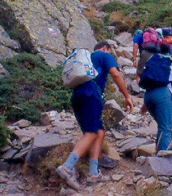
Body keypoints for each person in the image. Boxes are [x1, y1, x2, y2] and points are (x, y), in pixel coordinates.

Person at [56, 41, 134, 191]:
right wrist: (127, 96)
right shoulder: (104, 54)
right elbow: (116, 74)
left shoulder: (87, 60)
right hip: (91, 94)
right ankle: (67, 167)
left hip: (77, 95)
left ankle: (93, 172)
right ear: (105, 48)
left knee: (98, 131)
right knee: (92, 132)